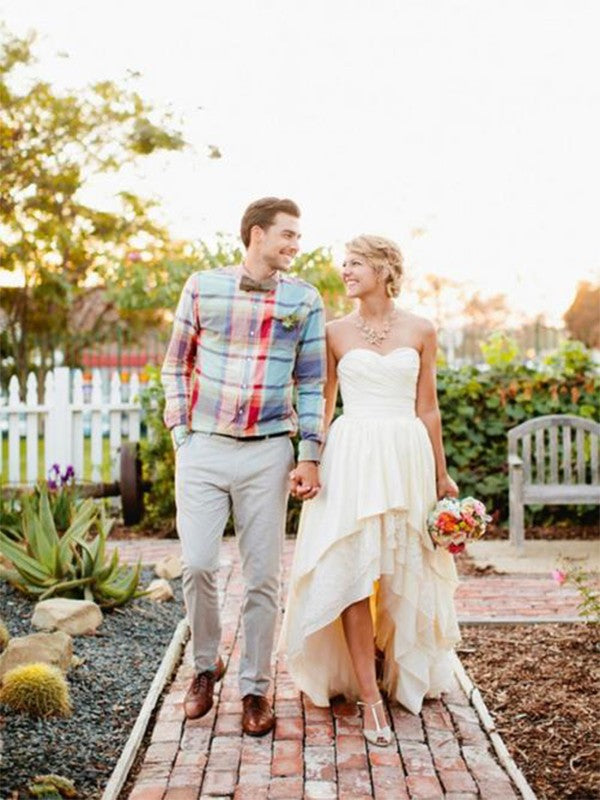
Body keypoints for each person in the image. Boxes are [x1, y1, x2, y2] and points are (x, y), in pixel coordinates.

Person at [281, 234, 461, 746]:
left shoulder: (422, 329)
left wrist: (440, 475)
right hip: (353, 454)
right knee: (352, 568)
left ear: (385, 269)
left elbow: (428, 408)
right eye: (344, 262)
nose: (345, 270)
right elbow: (321, 399)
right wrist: (309, 458)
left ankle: (395, 667)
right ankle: (368, 692)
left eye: (355, 262)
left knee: (401, 567)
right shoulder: (334, 332)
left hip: (406, 454)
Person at [161, 197, 326, 736]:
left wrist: (308, 454)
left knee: (263, 578)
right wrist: (183, 435)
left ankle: (256, 687)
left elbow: (311, 383)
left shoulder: (305, 298)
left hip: (268, 451)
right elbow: (175, 364)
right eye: (287, 235)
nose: (295, 245)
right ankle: (205, 667)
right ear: (256, 234)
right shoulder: (202, 286)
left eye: (297, 237)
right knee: (199, 565)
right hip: (203, 449)